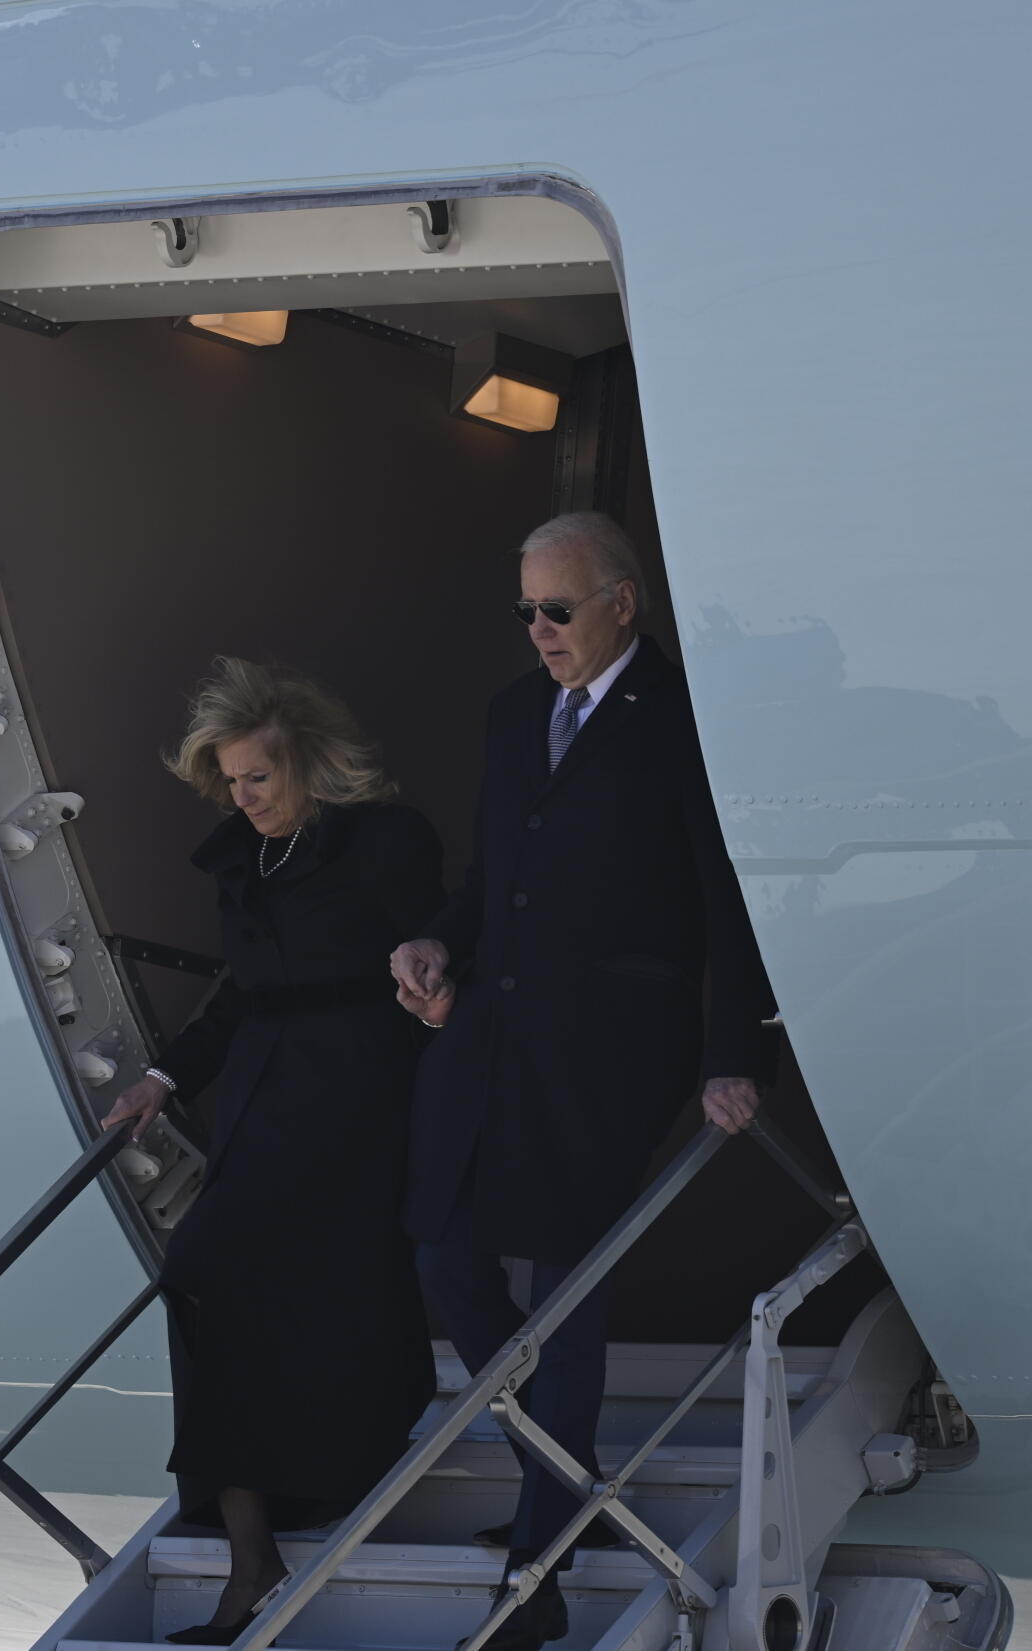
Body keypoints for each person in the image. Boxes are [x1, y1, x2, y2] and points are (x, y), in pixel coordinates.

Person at [390, 513, 774, 1651]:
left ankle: (536, 1562)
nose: (539, 632)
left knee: (566, 1286)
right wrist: (435, 943)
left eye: (557, 610)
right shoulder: (515, 715)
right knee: (441, 1252)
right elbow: (492, 876)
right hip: (494, 1032)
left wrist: (732, 1053)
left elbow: (724, 895)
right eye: (525, 612)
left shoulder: (684, 722)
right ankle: (564, 1484)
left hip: (614, 1045)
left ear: (622, 603)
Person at [104, 658, 443, 1646]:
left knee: (329, 1282)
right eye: (230, 780)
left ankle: (307, 1506)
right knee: (198, 1273)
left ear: (304, 759)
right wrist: (163, 1081)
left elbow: (433, 950)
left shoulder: (384, 840)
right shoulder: (239, 863)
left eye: (257, 775)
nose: (242, 796)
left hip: (358, 1095)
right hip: (263, 1096)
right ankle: (251, 1549)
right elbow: (238, 995)